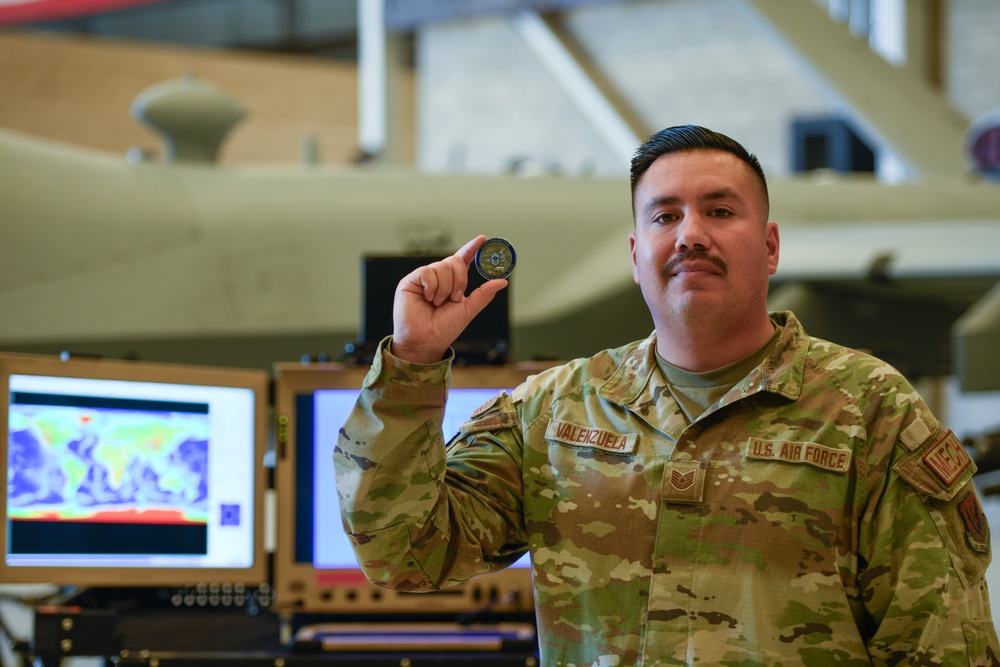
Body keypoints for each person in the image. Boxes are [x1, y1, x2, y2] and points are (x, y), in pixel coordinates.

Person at [334, 125, 999, 665]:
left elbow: (940, 645)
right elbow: (404, 554)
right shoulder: (553, 411)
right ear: (634, 253)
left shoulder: (870, 409)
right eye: (664, 215)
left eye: (719, 210)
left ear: (769, 247)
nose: (690, 234)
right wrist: (415, 362)